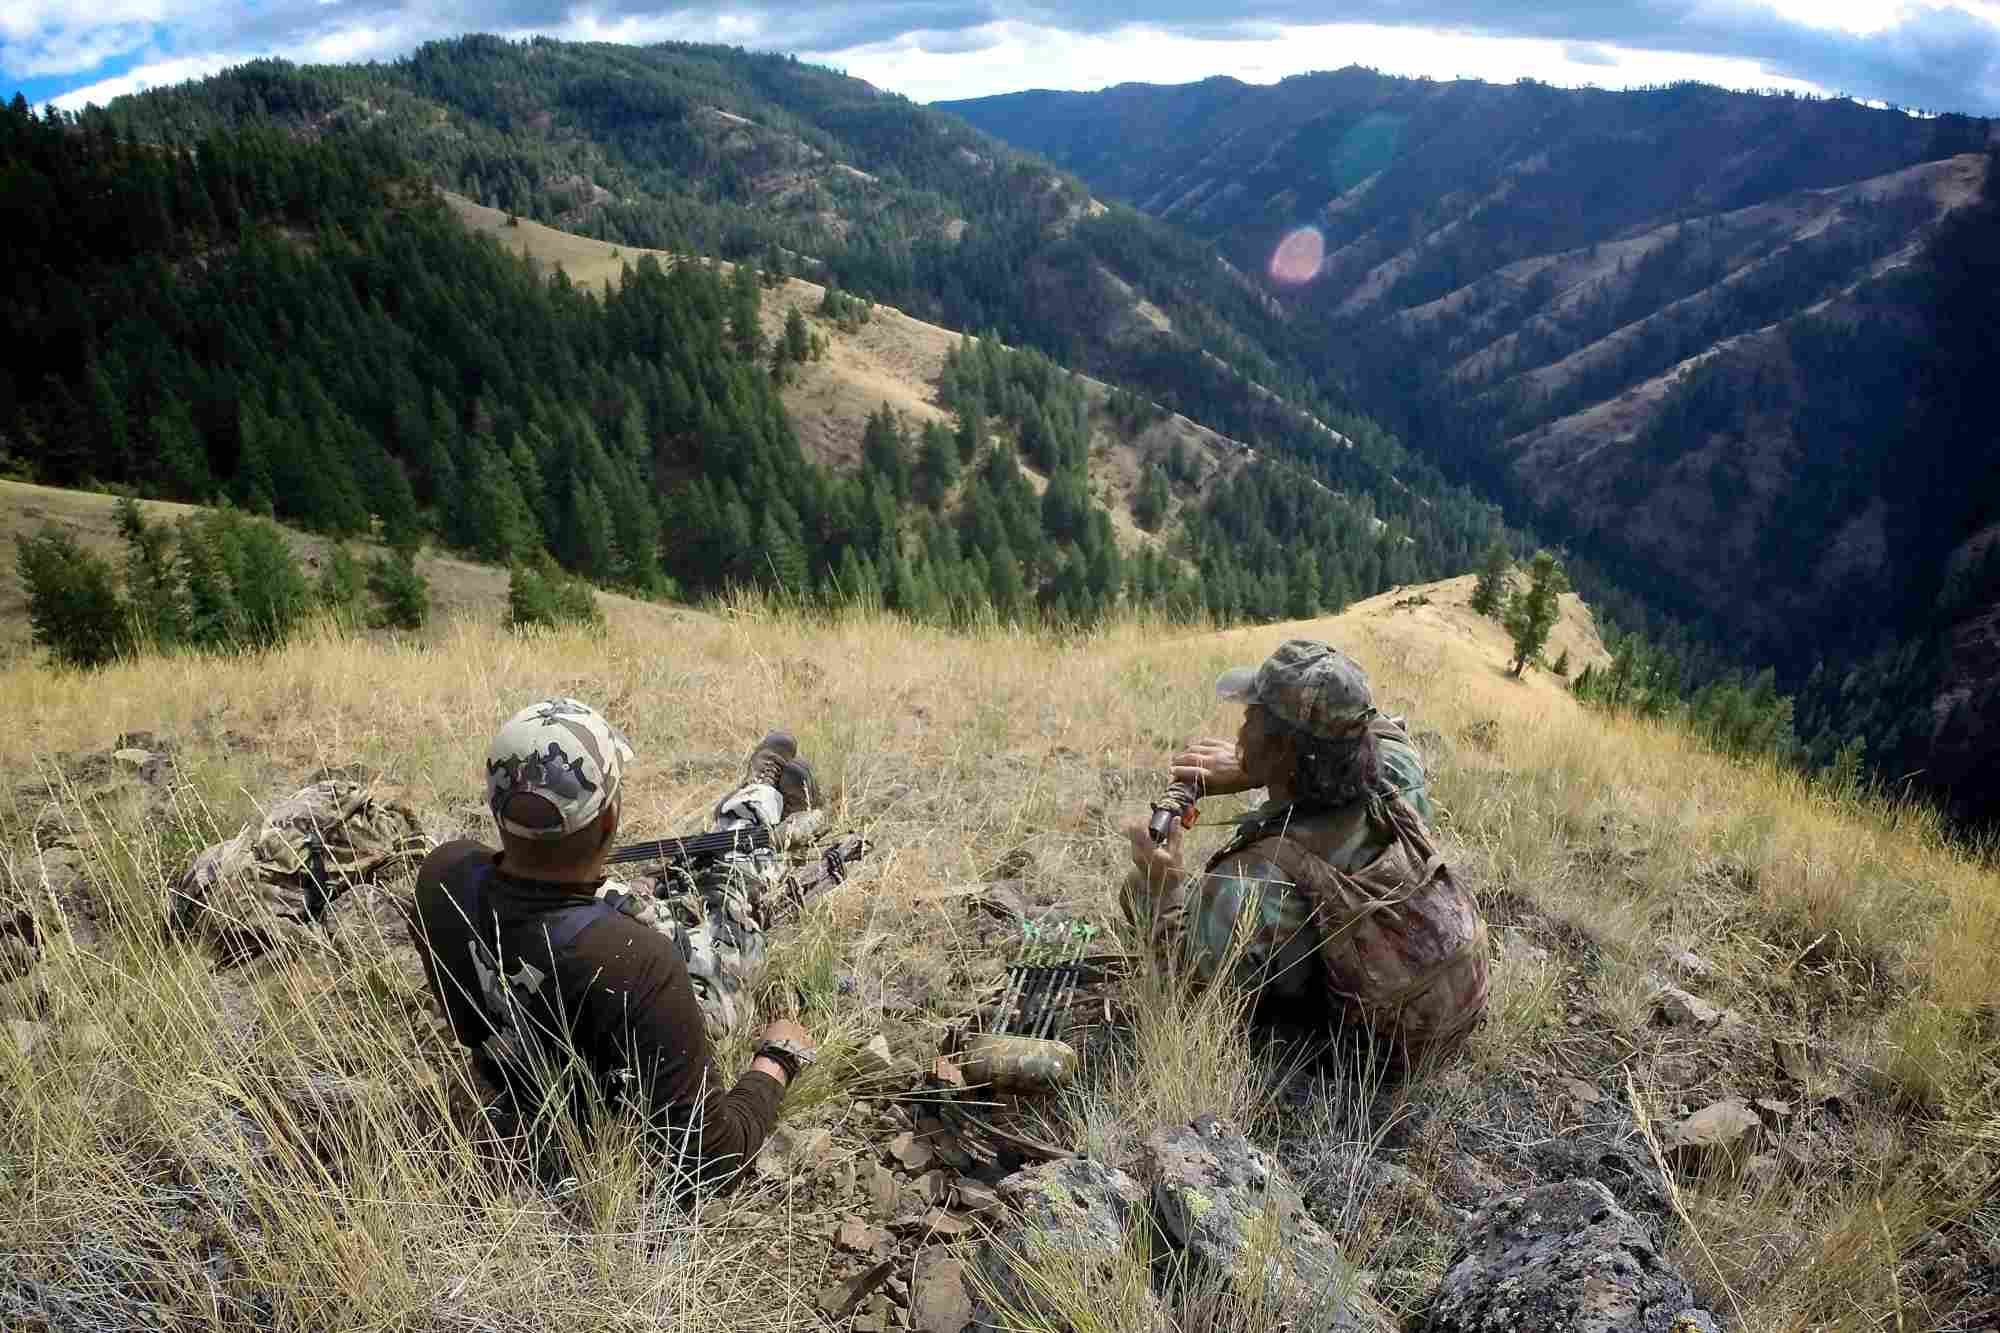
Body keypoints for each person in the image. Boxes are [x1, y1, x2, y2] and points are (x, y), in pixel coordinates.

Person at [410, 697, 822, 1191]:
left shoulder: (443, 874)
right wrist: (775, 1061)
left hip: (532, 1055)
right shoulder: (640, 964)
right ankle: (761, 808)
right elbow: (714, 1158)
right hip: (629, 1039)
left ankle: (761, 800)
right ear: (609, 822)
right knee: (730, 898)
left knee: (670, 889)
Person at [1121, 640, 1488, 1061]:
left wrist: (1160, 884)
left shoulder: (1255, 881)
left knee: (1143, 894)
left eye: (1251, 717)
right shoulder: (1398, 779)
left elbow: (1186, 999)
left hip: (1365, 1062)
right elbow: (1382, 729)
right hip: (1451, 1007)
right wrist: (1255, 767)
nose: (1241, 726)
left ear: (1281, 751)